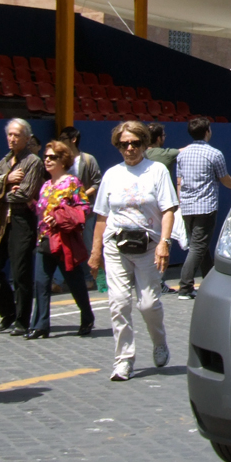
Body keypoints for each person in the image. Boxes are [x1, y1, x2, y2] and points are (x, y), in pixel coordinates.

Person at [89, 121, 177, 381]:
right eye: (124, 144)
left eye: (135, 143)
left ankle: (159, 342)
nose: (130, 148)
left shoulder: (156, 171)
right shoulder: (112, 175)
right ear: (118, 146)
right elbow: (102, 216)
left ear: (144, 143)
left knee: (148, 304)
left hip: (148, 245)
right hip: (115, 244)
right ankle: (124, 360)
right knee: (119, 303)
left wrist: (164, 242)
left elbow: (168, 210)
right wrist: (95, 253)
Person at [0, 119, 45, 335]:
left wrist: (1, 191)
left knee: (21, 271)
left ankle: (21, 320)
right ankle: (7, 313)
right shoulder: (5, 162)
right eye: (9, 134)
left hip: (21, 220)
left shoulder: (33, 162)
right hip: (0, 222)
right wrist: (8, 180)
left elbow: (25, 194)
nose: (12, 138)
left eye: (17, 135)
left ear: (27, 138)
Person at [26, 140, 94, 339]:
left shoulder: (71, 182)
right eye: (45, 157)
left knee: (75, 283)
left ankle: (87, 316)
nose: (47, 160)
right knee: (40, 282)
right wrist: (32, 204)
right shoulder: (46, 185)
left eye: (52, 157)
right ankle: (41, 325)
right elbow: (41, 210)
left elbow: (83, 207)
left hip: (64, 240)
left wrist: (60, 216)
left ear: (63, 160)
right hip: (44, 238)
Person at [176, 117, 231, 300]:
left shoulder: (182, 154)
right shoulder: (214, 154)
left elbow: (179, 181)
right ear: (208, 131)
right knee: (197, 246)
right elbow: (223, 176)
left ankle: (209, 279)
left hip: (187, 206)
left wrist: (181, 201)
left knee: (200, 246)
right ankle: (185, 287)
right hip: (205, 205)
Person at [57, 127, 102, 289]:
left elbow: (97, 182)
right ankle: (61, 280)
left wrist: (81, 194)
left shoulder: (88, 159)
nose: (60, 141)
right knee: (63, 244)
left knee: (87, 243)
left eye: (63, 138)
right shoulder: (61, 160)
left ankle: (90, 277)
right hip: (64, 210)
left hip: (85, 210)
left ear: (73, 139)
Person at [146, 123, 181, 295]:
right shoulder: (164, 155)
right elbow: (184, 150)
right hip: (161, 207)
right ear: (159, 138)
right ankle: (158, 282)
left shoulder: (141, 155)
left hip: (144, 207)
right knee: (164, 242)